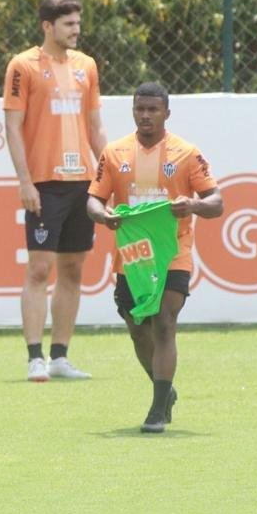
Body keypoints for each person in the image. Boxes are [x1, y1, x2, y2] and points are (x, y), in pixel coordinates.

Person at [86, 82, 223, 433]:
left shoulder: (186, 153)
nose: (145, 115)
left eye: (153, 109)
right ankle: (165, 391)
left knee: (164, 322)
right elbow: (93, 200)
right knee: (138, 330)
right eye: (140, 109)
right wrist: (102, 215)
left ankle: (157, 409)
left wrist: (192, 205)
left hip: (174, 250)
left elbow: (216, 202)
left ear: (166, 113)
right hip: (133, 255)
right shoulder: (114, 153)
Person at [3, 0, 107, 382]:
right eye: (68, 24)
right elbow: (12, 127)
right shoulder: (22, 65)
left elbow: (95, 127)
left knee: (73, 269)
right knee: (39, 269)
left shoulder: (86, 66)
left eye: (78, 23)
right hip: (44, 184)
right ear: (48, 26)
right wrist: (25, 181)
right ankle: (35, 357)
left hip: (82, 182)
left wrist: (108, 174)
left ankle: (61, 356)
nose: (76, 30)